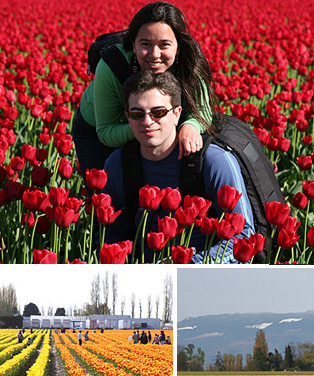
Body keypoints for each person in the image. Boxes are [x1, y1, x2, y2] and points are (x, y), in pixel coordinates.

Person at [102, 70, 254, 262]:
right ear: (127, 117)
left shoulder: (214, 161)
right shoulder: (118, 164)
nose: (147, 122)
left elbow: (244, 235)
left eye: (158, 112)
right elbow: (111, 234)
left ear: (177, 114)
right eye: (137, 113)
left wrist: (187, 266)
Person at [72, 2, 215, 184]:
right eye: (145, 44)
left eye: (164, 45)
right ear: (133, 43)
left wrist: (191, 126)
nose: (155, 55)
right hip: (102, 131)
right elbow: (106, 131)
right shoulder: (111, 65)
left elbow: (202, 110)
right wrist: (151, 127)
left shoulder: (190, 61)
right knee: (105, 198)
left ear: (178, 47)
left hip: (156, 126)